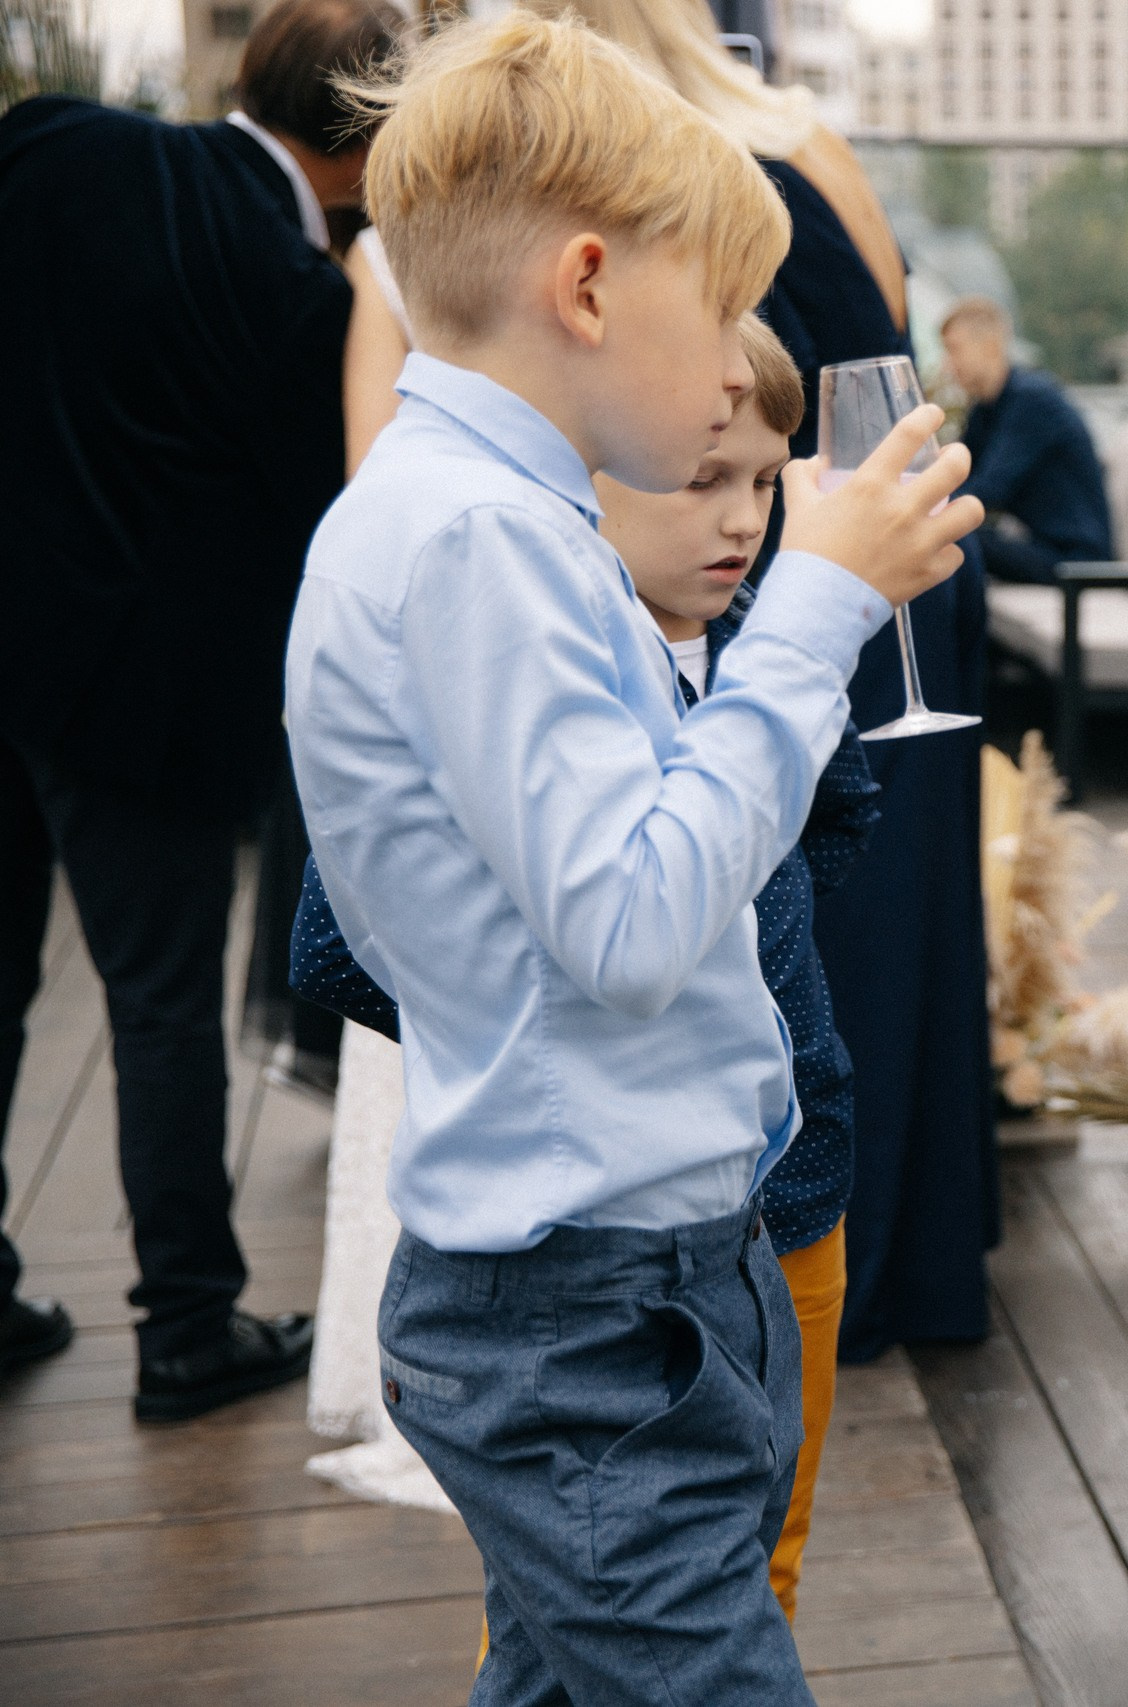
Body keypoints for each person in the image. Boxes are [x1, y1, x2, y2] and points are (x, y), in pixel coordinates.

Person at [283, 15, 980, 1697]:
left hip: (623, 1278)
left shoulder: (491, 521)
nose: (738, 377)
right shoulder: (477, 540)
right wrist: (811, 617)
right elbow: (631, 916)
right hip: (586, 1312)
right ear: (591, 289)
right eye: (719, 329)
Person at [290, 315, 877, 1620]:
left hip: (794, 1173)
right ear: (587, 470)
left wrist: (745, 954)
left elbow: (833, 818)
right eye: (700, 478)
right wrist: (554, 1025)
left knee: (758, 1543)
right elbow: (334, 943)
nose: (741, 521)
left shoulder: (766, 659)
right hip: (618, 1220)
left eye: (769, 482)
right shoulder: (524, 662)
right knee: (640, 1598)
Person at [0, 0, 404, 1413]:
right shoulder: (308, 301)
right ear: (369, 136)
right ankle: (184, 1323)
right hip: (145, 712)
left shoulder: (53, 150)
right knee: (161, 1007)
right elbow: (326, 523)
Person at [943, 295, 1114, 585]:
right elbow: (958, 479)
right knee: (953, 538)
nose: (949, 365)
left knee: (955, 541)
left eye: (954, 350)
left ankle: (957, 633)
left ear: (991, 345)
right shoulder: (988, 407)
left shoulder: (1032, 400)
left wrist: (926, 514)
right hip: (1042, 547)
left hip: (1077, 561)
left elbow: (988, 490)